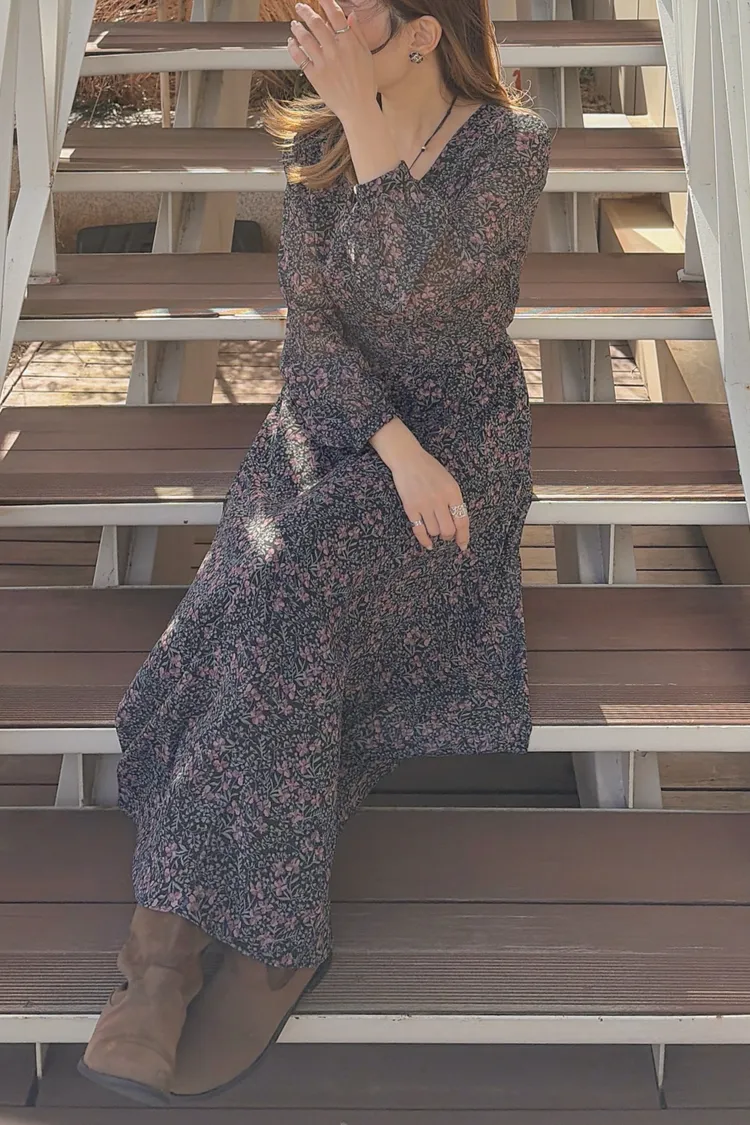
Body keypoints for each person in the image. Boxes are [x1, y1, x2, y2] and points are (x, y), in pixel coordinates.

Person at [78, 0, 552, 1107]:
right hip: (340, 430)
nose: (320, 28)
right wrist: (388, 446)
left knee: (285, 580)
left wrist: (362, 118)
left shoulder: (510, 146)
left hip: (459, 449)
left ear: (422, 32)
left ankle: (237, 950)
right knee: (254, 590)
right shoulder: (318, 141)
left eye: (349, 14)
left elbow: (429, 304)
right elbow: (314, 329)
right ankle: (169, 963)